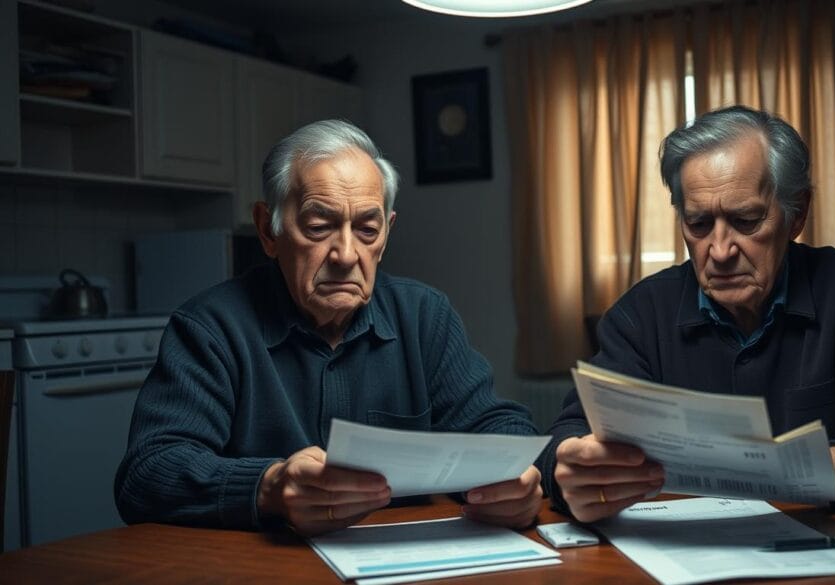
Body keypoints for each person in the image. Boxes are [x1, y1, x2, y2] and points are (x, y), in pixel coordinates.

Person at [539, 105, 835, 523]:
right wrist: (570, 472)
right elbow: (562, 444)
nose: (719, 251)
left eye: (746, 220)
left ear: (797, 216)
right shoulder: (641, 314)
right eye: (698, 225)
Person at [116, 120, 542, 535]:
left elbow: (498, 426)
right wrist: (268, 487)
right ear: (269, 230)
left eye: (366, 230)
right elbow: (148, 473)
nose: (345, 254)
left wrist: (518, 478)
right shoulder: (210, 328)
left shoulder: (424, 316)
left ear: (386, 235)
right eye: (319, 226)